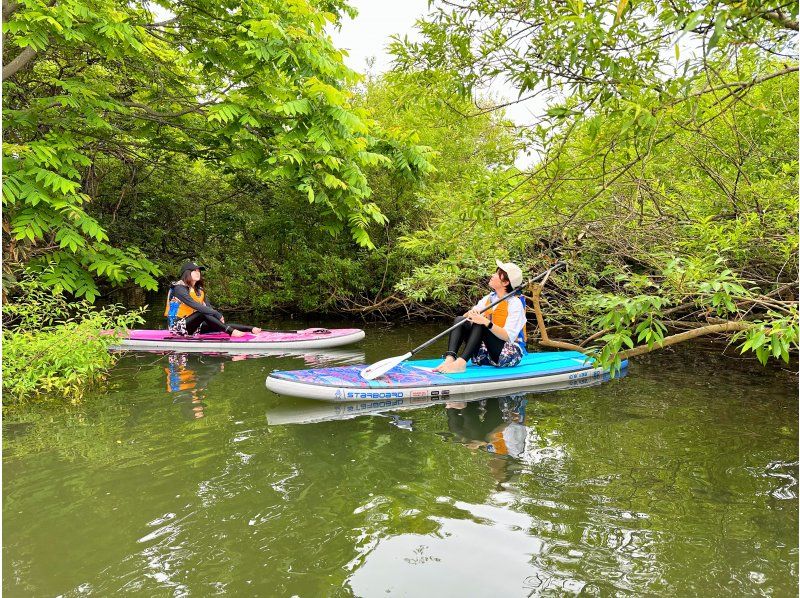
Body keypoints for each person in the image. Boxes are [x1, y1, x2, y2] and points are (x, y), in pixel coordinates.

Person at [434, 259, 527, 374]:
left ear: (505, 283)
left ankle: (461, 363)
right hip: (484, 353)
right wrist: (470, 314)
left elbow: (507, 336)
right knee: (460, 320)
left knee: (481, 324)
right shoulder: (489, 298)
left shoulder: (515, 303)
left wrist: (486, 322)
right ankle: (450, 359)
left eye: (497, 274)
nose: (492, 275)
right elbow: (467, 318)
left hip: (507, 354)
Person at [164, 262, 262, 338]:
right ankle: (230, 332)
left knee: (217, 324)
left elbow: (208, 307)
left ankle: (251, 329)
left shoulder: (199, 290)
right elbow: (195, 305)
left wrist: (215, 318)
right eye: (194, 271)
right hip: (177, 327)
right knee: (202, 313)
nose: (198, 273)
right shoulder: (178, 288)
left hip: (194, 327)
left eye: (199, 271)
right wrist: (216, 314)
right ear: (187, 273)